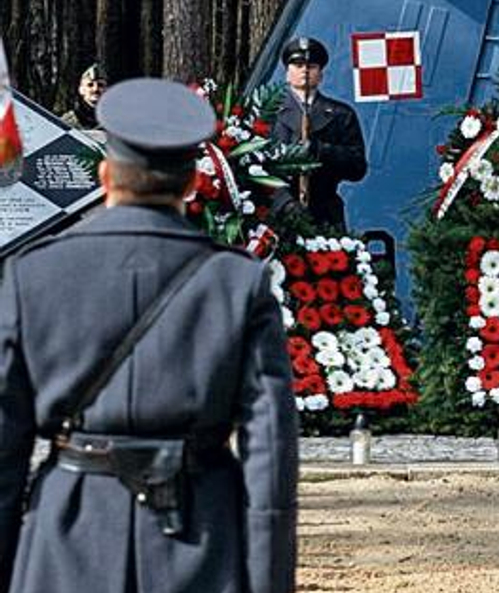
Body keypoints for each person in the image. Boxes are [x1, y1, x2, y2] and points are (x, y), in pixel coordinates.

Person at [0, 78, 299, 593]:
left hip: (69, 534)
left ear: (104, 175)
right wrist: (267, 580)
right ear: (189, 185)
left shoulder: (33, 276)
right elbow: (269, 451)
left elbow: (4, 446)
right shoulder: (236, 281)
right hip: (201, 534)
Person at [271, 37, 367, 230]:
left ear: (321, 74)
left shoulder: (340, 114)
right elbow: (254, 169)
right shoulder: (267, 114)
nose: (305, 70)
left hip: (326, 216)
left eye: (311, 66)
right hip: (278, 217)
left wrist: (321, 150)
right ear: (287, 73)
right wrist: (285, 204)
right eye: (298, 65)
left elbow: (357, 167)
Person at [60, 63, 107, 131]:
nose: (95, 89)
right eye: (90, 85)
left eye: (100, 85)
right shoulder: (67, 122)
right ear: (81, 90)